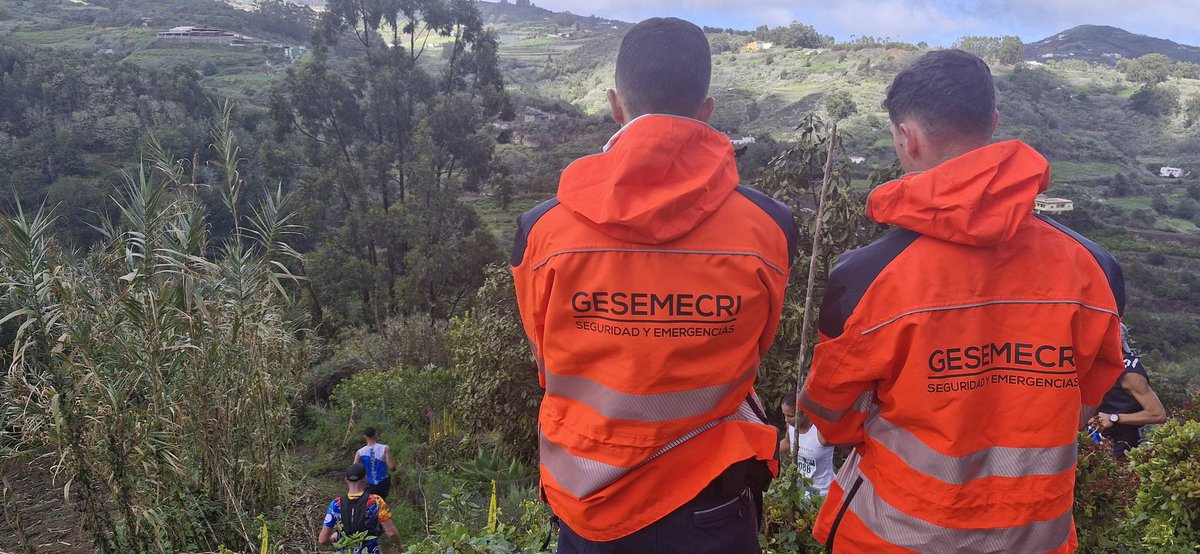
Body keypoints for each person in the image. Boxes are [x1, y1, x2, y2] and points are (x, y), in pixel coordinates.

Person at [798, 49, 1126, 552]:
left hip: (891, 538)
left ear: (906, 137)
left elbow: (833, 417)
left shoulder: (866, 276)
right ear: (993, 123)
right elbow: (1087, 400)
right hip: (1035, 539)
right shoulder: (1094, 269)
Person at [511, 17, 796, 553]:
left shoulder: (541, 232)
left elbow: (546, 362)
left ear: (616, 105)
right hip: (712, 498)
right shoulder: (770, 228)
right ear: (706, 110)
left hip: (589, 504)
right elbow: (757, 347)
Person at [1091, 324, 1168, 459]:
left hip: (1123, 447)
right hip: (1100, 440)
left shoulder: (1130, 374)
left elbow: (1158, 415)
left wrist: (1114, 418)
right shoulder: (1103, 364)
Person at [318, 463, 400, 554]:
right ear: (365, 479)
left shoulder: (336, 504)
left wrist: (336, 542)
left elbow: (322, 539)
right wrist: (399, 547)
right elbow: (391, 533)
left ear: (346, 480)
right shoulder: (376, 501)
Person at [779, 391, 835, 497]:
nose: (786, 420)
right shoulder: (791, 426)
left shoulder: (820, 433)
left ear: (804, 412)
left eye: (790, 416)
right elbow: (787, 442)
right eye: (784, 415)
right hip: (801, 493)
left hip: (824, 494)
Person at [354, 427, 395, 500]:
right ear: (376, 435)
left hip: (368, 484)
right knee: (381, 504)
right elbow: (391, 467)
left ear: (365, 437)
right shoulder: (385, 448)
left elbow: (354, 469)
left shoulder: (360, 452)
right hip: (382, 484)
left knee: (369, 504)